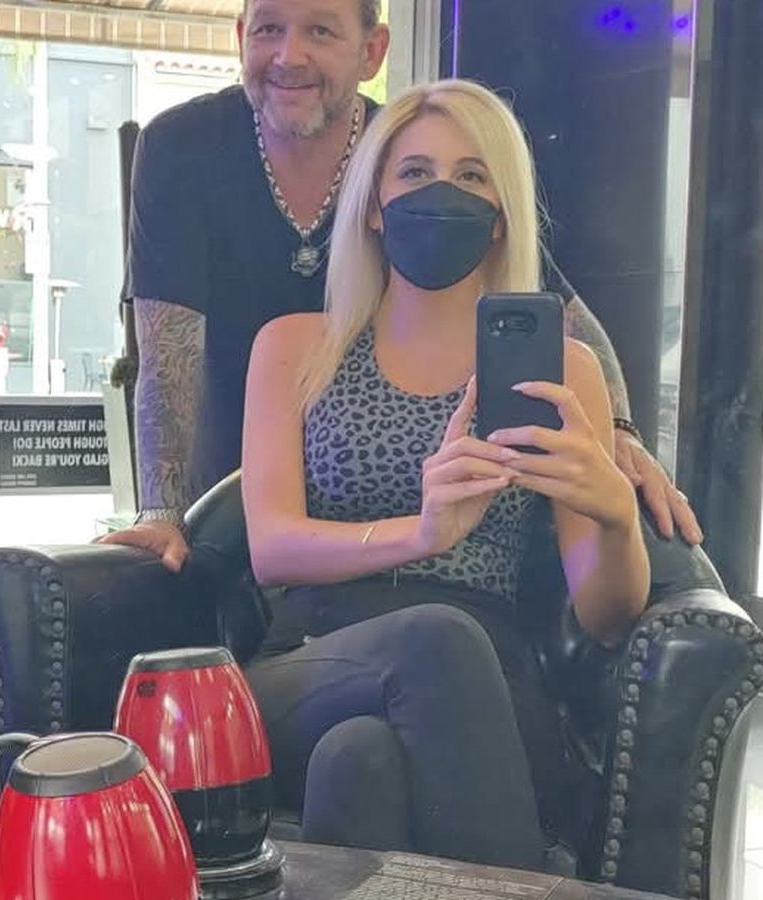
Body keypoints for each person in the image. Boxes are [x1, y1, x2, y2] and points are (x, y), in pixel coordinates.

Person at [102, 0, 700, 573]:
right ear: (240, 38)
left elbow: (562, 314)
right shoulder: (183, 147)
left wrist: (619, 437)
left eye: (320, 31)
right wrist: (162, 511)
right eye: (268, 29)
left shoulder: (413, 148)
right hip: (244, 476)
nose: (289, 55)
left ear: (373, 50)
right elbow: (167, 352)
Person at [238, 77, 649, 869]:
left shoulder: (566, 369)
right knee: (430, 640)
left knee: (358, 761)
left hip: (482, 681)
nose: (441, 194)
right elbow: (273, 548)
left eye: (470, 176)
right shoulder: (295, 346)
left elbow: (606, 620)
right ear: (373, 204)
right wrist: (421, 535)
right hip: (310, 657)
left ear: (500, 215)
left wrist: (615, 518)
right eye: (416, 173)